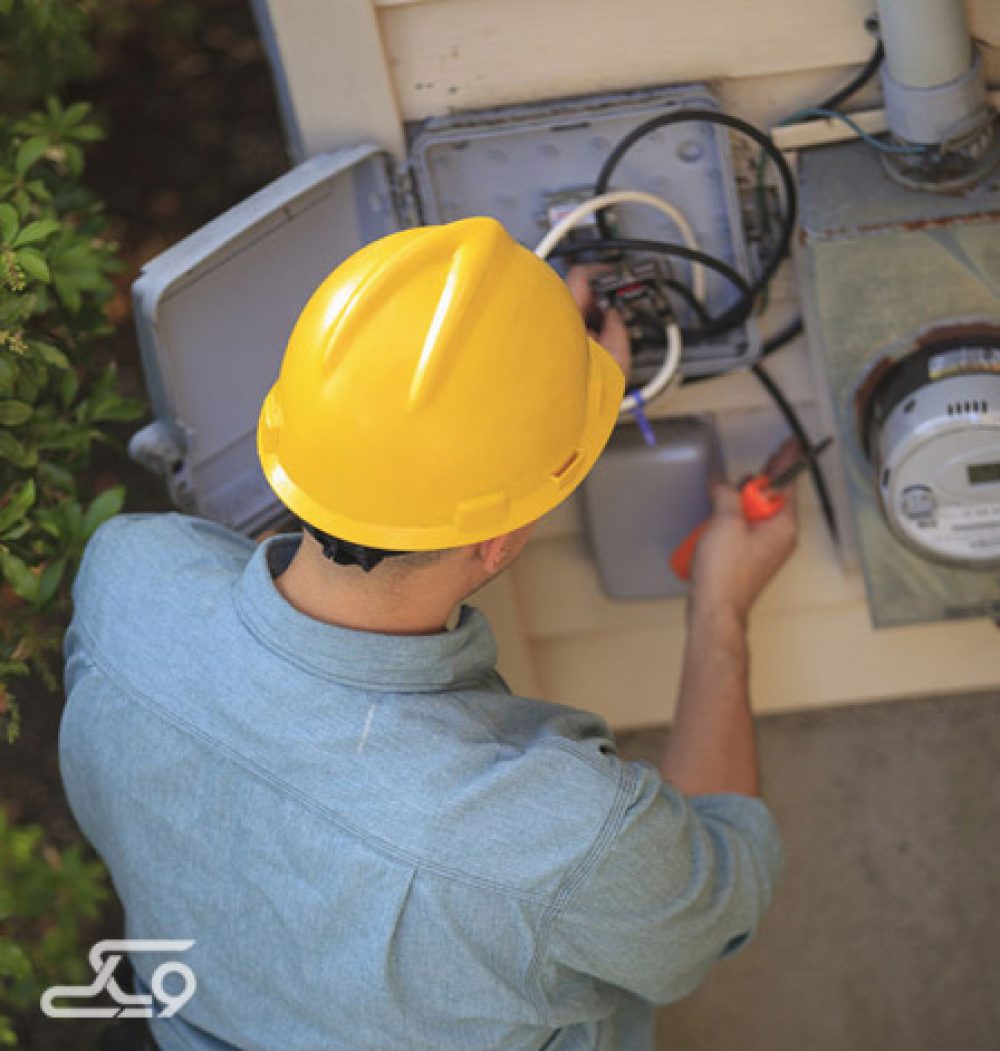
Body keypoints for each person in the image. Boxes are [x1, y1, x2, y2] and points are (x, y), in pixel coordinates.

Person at [60, 216, 796, 1051]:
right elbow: (716, 899)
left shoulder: (129, 583)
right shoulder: (565, 838)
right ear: (498, 541)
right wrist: (723, 607)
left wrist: (535, 387)